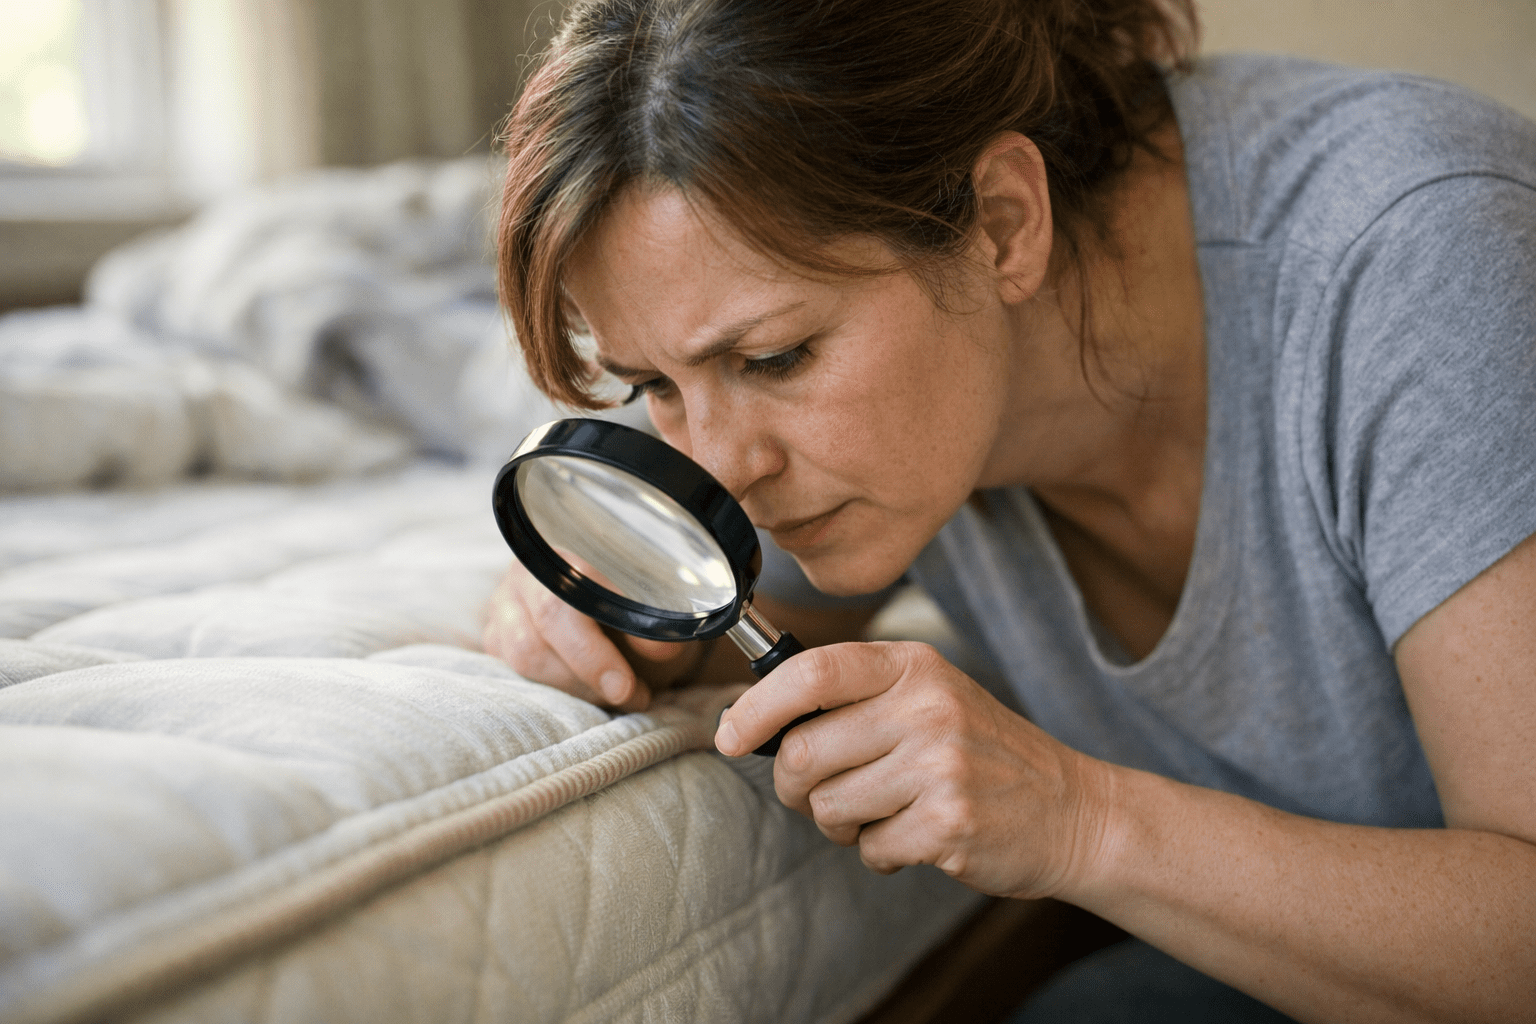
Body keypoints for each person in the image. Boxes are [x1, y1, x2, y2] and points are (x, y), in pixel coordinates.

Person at [481, 0, 1536, 1019]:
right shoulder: (894, 421)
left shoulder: (1418, 260)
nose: (723, 468)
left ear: (1001, 224)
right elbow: (719, 616)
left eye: (774, 358)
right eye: (651, 385)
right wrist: (606, 615)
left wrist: (1080, 818)